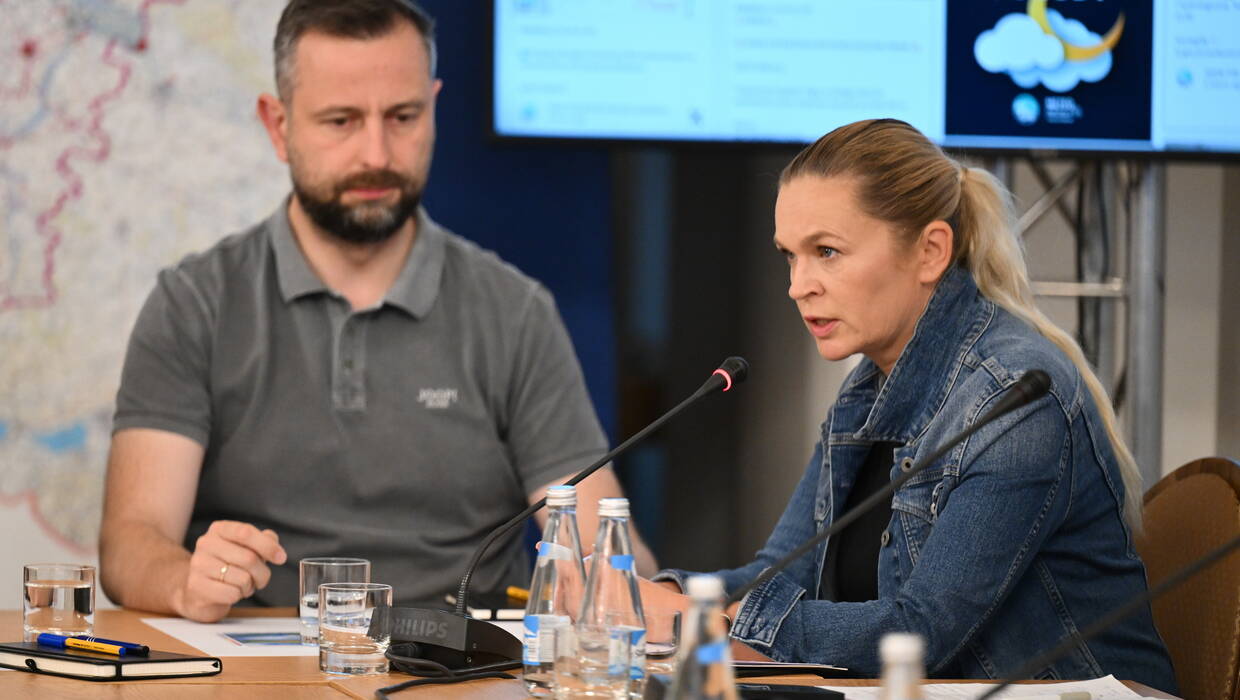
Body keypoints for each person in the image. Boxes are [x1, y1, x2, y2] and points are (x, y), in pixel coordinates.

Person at [98, 0, 654, 623]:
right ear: (277, 125)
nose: (376, 154)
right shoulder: (194, 303)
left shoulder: (514, 311)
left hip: (466, 674)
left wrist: (644, 592)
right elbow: (130, 543)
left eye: (403, 116)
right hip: (259, 671)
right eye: (340, 120)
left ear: (434, 108)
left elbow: (601, 543)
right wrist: (183, 581)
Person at [641, 119, 1177, 691]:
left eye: (826, 251)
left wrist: (698, 619)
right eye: (790, 257)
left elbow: (919, 634)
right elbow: (780, 572)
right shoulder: (866, 389)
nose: (799, 285)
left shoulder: (1016, 396)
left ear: (930, 252)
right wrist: (654, 596)